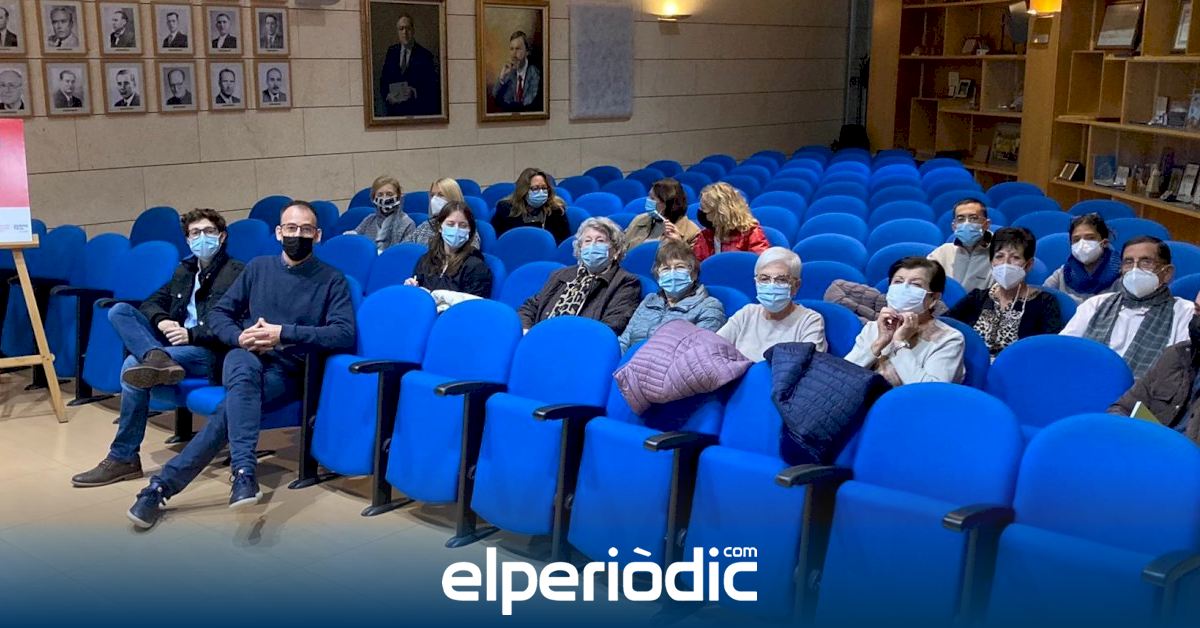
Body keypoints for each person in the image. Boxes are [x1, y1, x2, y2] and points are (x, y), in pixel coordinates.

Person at [126, 201, 356, 529]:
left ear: (317, 235)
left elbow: (343, 333)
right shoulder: (259, 267)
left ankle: (163, 486)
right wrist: (240, 336)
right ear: (279, 233)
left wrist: (282, 334)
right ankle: (243, 473)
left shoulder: (332, 279)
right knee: (240, 369)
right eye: (291, 228)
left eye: (306, 229)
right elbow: (221, 314)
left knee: (230, 407)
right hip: (244, 355)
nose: (298, 235)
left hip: (286, 369)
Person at [70, 209, 245, 488]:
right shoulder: (185, 270)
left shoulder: (237, 273)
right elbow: (151, 303)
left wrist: (191, 333)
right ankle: (156, 357)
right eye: (195, 233)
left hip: (210, 352)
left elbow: (235, 323)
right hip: (175, 348)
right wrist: (163, 321)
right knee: (119, 311)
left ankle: (124, 457)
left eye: (209, 232)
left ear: (222, 237)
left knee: (132, 365)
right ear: (187, 240)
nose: (202, 238)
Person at [1060, 236, 1196, 378]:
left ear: (1167, 273)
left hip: (1148, 390)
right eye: (1128, 262)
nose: (1135, 270)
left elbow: (1182, 371)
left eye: (1146, 262)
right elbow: (1064, 349)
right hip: (1086, 381)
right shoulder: (1096, 304)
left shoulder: (1186, 313)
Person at [846, 257, 966, 385]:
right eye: (898, 282)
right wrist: (878, 344)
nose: (903, 289)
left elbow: (929, 391)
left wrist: (899, 343)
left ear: (934, 298)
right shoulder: (874, 327)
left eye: (915, 284)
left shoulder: (948, 339)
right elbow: (843, 375)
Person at [947, 227, 1064, 357]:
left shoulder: (1045, 302)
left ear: (1029, 264)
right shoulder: (977, 297)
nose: (1005, 263)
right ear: (991, 261)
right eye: (999, 256)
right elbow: (945, 324)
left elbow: (1049, 348)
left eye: (1015, 257)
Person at [519, 216, 641, 334]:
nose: (592, 246)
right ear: (580, 248)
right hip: (540, 337)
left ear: (616, 251)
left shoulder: (625, 282)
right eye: (587, 241)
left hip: (580, 342)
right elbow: (530, 306)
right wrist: (527, 331)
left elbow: (613, 324)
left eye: (600, 241)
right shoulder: (561, 274)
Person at [716, 247, 826, 361]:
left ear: (796, 286)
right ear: (756, 283)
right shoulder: (746, 313)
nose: (772, 285)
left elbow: (810, 366)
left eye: (782, 280)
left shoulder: (810, 321)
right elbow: (713, 348)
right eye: (764, 279)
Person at [618, 238, 726, 352]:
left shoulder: (709, 306)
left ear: (693, 273)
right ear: (658, 275)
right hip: (630, 360)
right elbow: (624, 341)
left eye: (680, 267)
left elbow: (697, 353)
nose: (672, 273)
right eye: (666, 269)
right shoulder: (649, 300)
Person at [1107, 316, 1200, 445]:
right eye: (1197, 311)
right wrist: (1124, 432)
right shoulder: (1176, 355)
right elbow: (1122, 408)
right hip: (1143, 445)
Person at [404, 201, 492, 298]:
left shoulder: (476, 266)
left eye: (463, 225)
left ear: (470, 231)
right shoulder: (426, 260)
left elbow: (473, 304)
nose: (456, 229)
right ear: (440, 227)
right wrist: (413, 287)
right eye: (450, 224)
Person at [1043, 213, 1121, 304]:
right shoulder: (1062, 273)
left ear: (1104, 243)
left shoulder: (1120, 274)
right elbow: (1041, 297)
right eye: (1076, 240)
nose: (1082, 244)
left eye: (1090, 238)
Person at [687, 182, 769, 262]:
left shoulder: (751, 233)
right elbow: (695, 263)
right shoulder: (706, 235)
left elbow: (760, 264)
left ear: (720, 214)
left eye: (705, 210)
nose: (701, 213)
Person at [928, 198, 993, 292]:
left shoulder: (999, 254)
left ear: (986, 224)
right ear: (954, 226)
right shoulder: (942, 252)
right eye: (961, 219)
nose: (966, 224)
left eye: (974, 218)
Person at [379, 14, 439, 117]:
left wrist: (415, 92)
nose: (405, 32)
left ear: (413, 30)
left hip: (416, 112)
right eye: (401, 29)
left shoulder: (425, 55)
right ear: (397, 32)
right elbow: (383, 81)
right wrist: (387, 96)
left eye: (408, 28)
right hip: (394, 113)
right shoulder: (391, 52)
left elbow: (432, 86)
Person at [491, 167, 570, 243]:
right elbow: (498, 241)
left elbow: (563, 242)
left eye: (544, 188)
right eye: (535, 188)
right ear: (523, 191)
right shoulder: (506, 209)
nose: (541, 192)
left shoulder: (556, 210)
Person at [624, 178, 702, 249]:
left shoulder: (693, 232)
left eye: (652, 198)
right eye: (648, 196)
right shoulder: (639, 220)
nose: (647, 200)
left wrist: (679, 243)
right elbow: (622, 247)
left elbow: (691, 259)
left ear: (666, 204)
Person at [407, 177, 479, 248]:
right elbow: (406, 248)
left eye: (441, 195)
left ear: (453, 197)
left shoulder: (465, 228)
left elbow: (472, 252)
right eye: (432, 195)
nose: (434, 199)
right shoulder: (426, 225)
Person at [353, 175, 415, 252]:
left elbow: (405, 253)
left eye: (389, 194)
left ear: (399, 196)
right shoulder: (369, 219)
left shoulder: (408, 224)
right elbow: (355, 239)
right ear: (373, 198)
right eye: (380, 195)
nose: (384, 198)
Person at [492, 30, 540, 112]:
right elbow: (495, 97)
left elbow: (528, 103)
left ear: (527, 52)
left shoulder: (534, 72)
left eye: (518, 49)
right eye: (511, 49)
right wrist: (502, 78)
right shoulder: (509, 72)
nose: (514, 54)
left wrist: (509, 106)